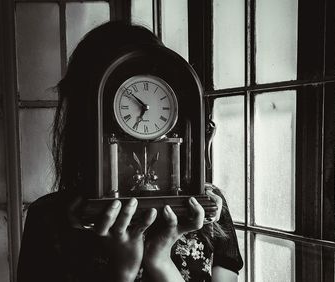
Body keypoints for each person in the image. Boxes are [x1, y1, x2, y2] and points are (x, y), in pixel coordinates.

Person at [17, 21, 243, 282]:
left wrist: (159, 260)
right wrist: (122, 271)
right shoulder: (49, 220)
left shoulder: (208, 211)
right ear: (88, 115)